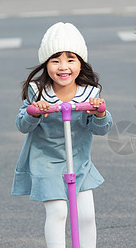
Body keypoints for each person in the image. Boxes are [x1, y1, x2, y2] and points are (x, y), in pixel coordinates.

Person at [12, 22, 113, 248]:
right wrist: (33, 111)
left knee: (86, 215)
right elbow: (22, 125)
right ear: (46, 64)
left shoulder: (90, 93)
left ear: (81, 63)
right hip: (46, 161)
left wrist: (99, 112)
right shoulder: (38, 91)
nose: (63, 67)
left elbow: (102, 129)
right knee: (58, 211)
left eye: (71, 59)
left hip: (79, 161)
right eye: (55, 60)